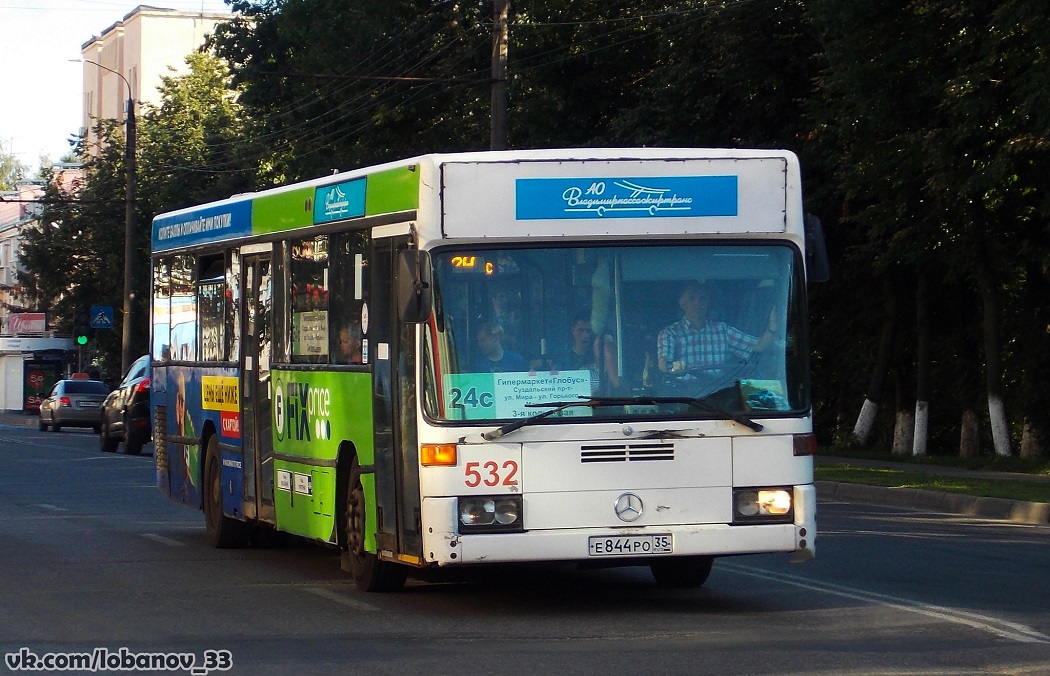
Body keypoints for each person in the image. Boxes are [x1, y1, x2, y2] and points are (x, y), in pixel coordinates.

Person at [657, 281, 775, 374]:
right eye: (692, 298)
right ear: (682, 303)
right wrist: (672, 366)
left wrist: (772, 328)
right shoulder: (669, 333)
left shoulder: (722, 330)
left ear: (709, 302)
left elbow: (759, 346)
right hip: (682, 396)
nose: (698, 303)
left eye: (703, 298)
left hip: (718, 396)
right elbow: (663, 363)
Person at [551, 313, 621, 392]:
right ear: (573, 331)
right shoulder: (562, 359)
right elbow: (557, 386)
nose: (585, 335)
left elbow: (619, 387)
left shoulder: (614, 363)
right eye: (580, 330)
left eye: (589, 331)